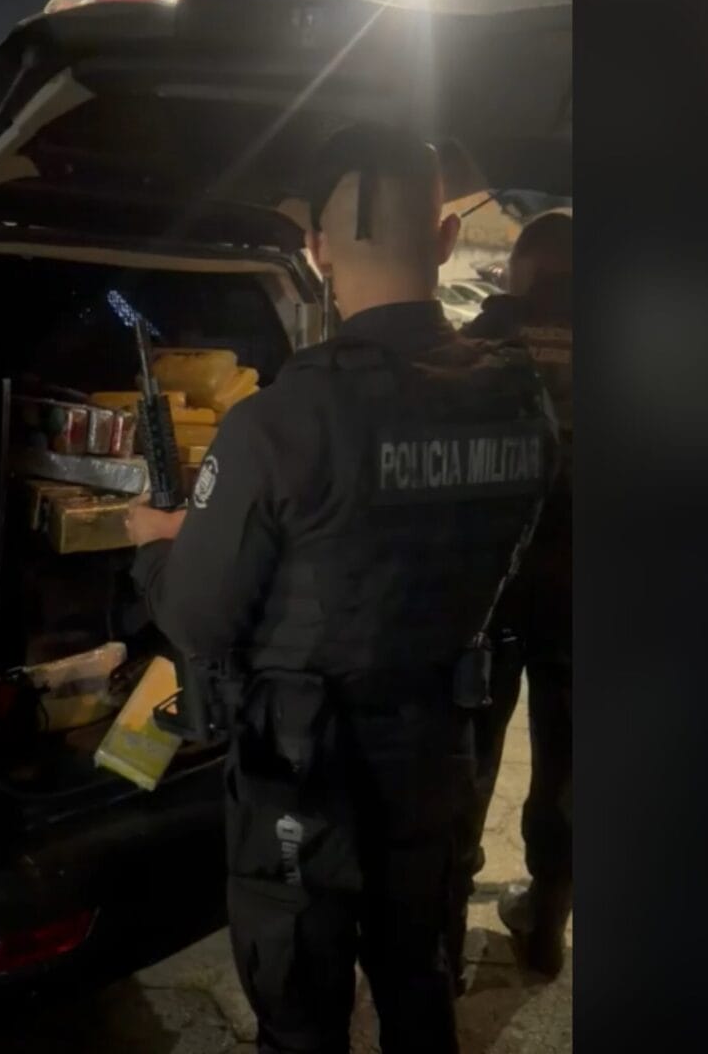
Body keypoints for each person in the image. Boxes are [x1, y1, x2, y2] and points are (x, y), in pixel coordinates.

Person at [124, 124, 556, 1054]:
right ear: (445, 239)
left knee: (301, 1017)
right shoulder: (522, 401)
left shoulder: (281, 420)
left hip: (302, 774)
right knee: (419, 987)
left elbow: (197, 616)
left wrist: (156, 545)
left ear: (318, 249)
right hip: (437, 751)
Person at [456, 209, 575, 979]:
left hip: (489, 589)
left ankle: (441, 924)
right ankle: (545, 926)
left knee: (468, 752)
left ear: (520, 268)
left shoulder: (478, 347)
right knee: (570, 764)